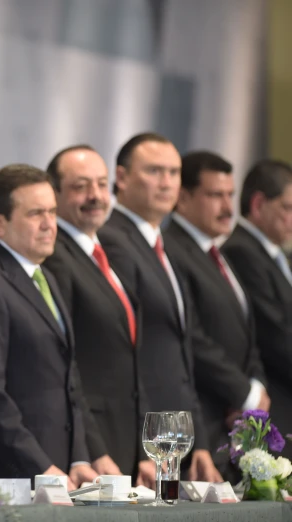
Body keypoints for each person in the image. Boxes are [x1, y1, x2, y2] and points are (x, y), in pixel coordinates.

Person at [0, 163, 97, 490]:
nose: (50, 224)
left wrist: (79, 458)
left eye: (52, 211)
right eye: (35, 214)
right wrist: (42, 466)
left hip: (58, 470)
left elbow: (66, 378)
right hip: (15, 476)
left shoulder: (43, 275)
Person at [101, 132, 222, 482]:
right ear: (121, 177)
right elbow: (128, 355)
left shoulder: (159, 243)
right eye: (155, 171)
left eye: (174, 172)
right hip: (144, 443)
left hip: (176, 442)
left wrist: (196, 440)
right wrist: (144, 446)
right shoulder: (113, 240)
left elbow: (179, 354)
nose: (167, 182)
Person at [42, 145, 153, 485]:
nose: (95, 196)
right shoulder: (55, 257)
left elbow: (129, 359)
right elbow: (65, 364)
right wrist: (90, 448)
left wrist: (145, 449)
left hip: (127, 442)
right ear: (54, 193)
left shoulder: (107, 251)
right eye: (80, 186)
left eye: (102, 184)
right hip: (92, 449)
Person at [162, 151, 268, 479]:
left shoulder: (217, 253)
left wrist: (256, 387)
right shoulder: (170, 250)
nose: (227, 207)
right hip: (205, 418)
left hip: (235, 423)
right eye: (214, 195)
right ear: (183, 197)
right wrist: (243, 392)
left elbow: (247, 333)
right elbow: (190, 334)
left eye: (230, 195)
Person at [222, 159, 292, 460]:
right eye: (288, 208)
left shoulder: (275, 255)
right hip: (272, 406)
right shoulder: (242, 250)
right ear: (259, 203)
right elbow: (275, 336)